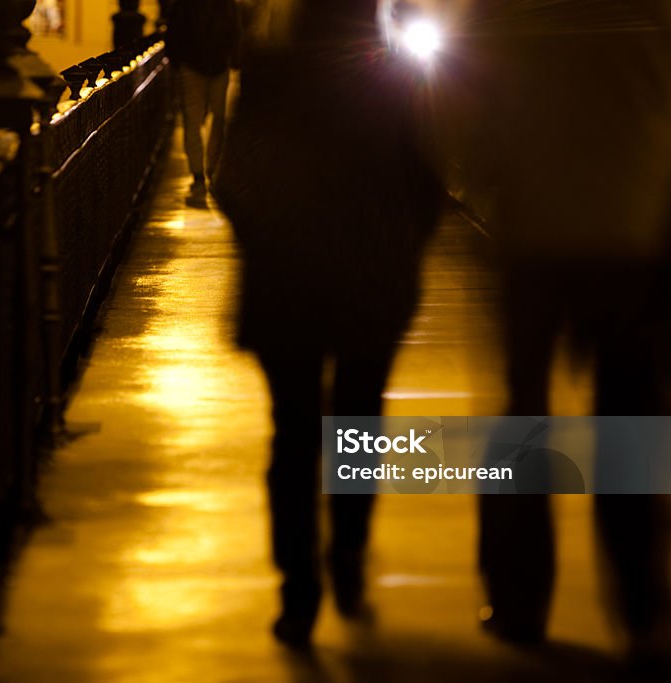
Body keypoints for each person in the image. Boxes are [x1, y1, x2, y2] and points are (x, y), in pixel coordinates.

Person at [457, 0, 671, 669]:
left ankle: (519, 601)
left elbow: (466, 91)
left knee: (523, 421)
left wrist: (482, 172)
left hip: (533, 225)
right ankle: (644, 614)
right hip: (636, 226)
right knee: (631, 427)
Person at [213, 0, 443, 649]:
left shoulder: (266, 70)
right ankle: (347, 556)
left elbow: (235, 178)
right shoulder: (393, 75)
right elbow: (426, 181)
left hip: (286, 279)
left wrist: (267, 236)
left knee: (292, 432)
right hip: (372, 276)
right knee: (359, 421)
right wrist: (402, 250)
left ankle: (298, 588)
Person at [164, 0, 240, 206]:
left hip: (192, 63)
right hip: (217, 63)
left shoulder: (186, 5)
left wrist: (176, 60)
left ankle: (199, 174)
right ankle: (211, 169)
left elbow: (175, 27)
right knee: (219, 118)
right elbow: (233, 27)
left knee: (193, 119)